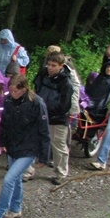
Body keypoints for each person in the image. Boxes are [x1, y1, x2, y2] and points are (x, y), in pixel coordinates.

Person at [0, 75, 50, 218]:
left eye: (15, 91)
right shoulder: (8, 101)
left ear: (24, 89)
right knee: (16, 180)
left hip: (29, 148)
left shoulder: (37, 103)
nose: (12, 93)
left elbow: (44, 129)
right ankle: (15, 209)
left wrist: (44, 155)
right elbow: (5, 124)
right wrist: (3, 142)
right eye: (10, 90)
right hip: (13, 146)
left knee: (8, 180)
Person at [30, 51, 73, 185]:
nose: (50, 67)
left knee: (58, 147)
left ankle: (61, 173)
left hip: (57, 119)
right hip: (39, 115)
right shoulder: (43, 74)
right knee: (32, 142)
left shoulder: (66, 83)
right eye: (49, 64)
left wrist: (47, 109)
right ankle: (27, 171)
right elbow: (36, 89)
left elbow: (64, 106)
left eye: (53, 65)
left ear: (61, 66)